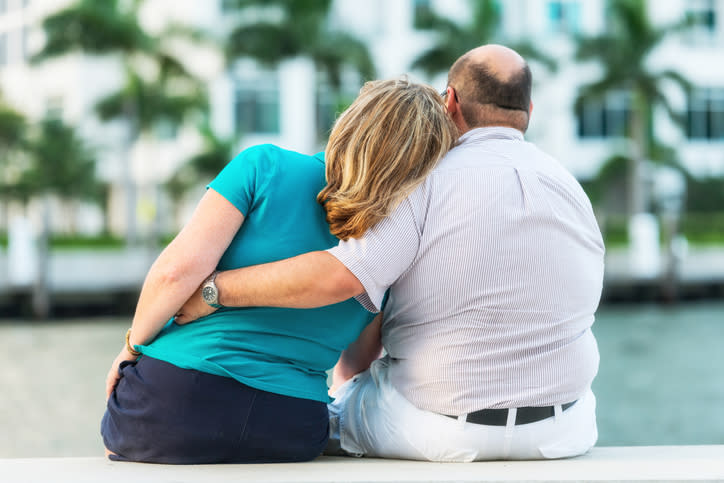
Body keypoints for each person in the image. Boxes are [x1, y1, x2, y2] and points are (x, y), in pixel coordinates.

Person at [176, 44, 606, 462]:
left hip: (439, 428)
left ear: (449, 102)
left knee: (333, 404)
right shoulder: (570, 188)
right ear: (529, 112)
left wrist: (216, 290)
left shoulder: (426, 183)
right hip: (563, 429)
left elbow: (339, 276)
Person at [100, 78, 457, 464]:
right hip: (294, 426)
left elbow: (175, 273)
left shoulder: (265, 167)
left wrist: (130, 347)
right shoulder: (391, 248)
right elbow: (356, 363)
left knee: (119, 439)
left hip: (174, 401)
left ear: (350, 122)